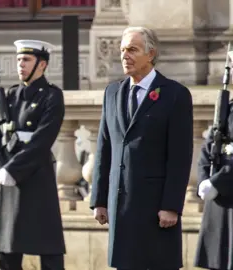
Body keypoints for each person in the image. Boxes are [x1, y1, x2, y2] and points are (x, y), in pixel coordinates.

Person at [90, 26, 194, 270]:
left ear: (151, 54)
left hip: (156, 210)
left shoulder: (175, 94)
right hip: (121, 208)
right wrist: (99, 199)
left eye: (133, 50)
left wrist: (170, 206)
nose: (125, 55)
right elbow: (104, 147)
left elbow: (180, 157)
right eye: (123, 50)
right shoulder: (112, 92)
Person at [0, 39, 66, 270]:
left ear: (42, 65)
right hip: (9, 177)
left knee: (48, 249)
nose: (21, 64)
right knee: (8, 251)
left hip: (36, 176)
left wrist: (13, 169)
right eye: (19, 59)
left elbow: (42, 140)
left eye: (27, 60)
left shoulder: (51, 96)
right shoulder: (9, 95)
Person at [195, 103, 233, 268]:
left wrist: (218, 182)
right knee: (219, 261)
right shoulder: (228, 107)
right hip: (219, 201)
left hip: (225, 187)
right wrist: (204, 179)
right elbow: (208, 147)